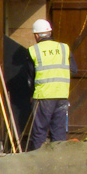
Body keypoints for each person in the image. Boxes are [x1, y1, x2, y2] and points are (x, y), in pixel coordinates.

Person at [28, 17, 72, 148]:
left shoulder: (34, 50)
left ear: (37, 35)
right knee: (59, 134)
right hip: (62, 96)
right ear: (50, 33)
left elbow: (30, 77)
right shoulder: (64, 48)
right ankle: (57, 163)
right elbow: (73, 70)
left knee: (40, 133)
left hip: (43, 96)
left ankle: (38, 162)